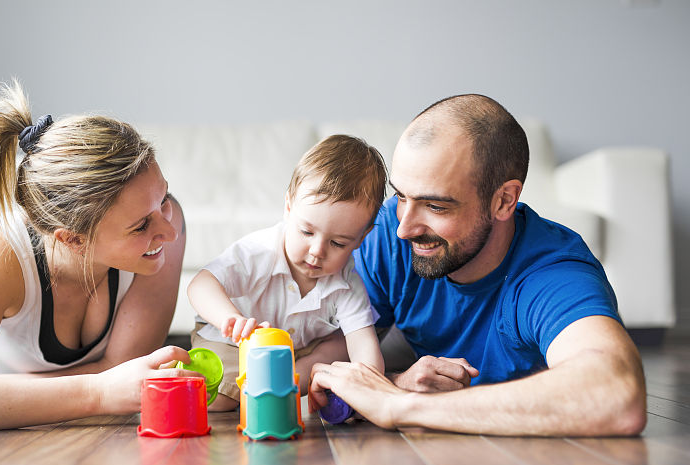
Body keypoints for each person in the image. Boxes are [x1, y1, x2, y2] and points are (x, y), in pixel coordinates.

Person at [309, 94, 647, 436]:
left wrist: (399, 405)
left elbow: (617, 394)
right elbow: (323, 357)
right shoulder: (388, 236)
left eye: (436, 207)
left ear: (503, 201)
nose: (404, 228)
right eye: (401, 196)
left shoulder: (551, 271)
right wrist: (396, 383)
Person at [0, 81, 195, 434]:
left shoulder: (165, 231)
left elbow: (125, 372)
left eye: (164, 199)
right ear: (73, 240)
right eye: (141, 225)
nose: (169, 231)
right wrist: (97, 392)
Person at [187, 134, 387, 411]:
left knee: (341, 345)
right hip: (235, 345)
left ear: (362, 238)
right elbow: (200, 284)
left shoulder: (346, 283)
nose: (317, 251)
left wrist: (371, 387)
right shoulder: (260, 252)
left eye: (338, 243)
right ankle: (273, 384)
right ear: (289, 207)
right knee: (217, 398)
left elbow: (363, 343)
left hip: (296, 350)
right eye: (306, 232)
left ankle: (289, 380)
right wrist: (230, 318)